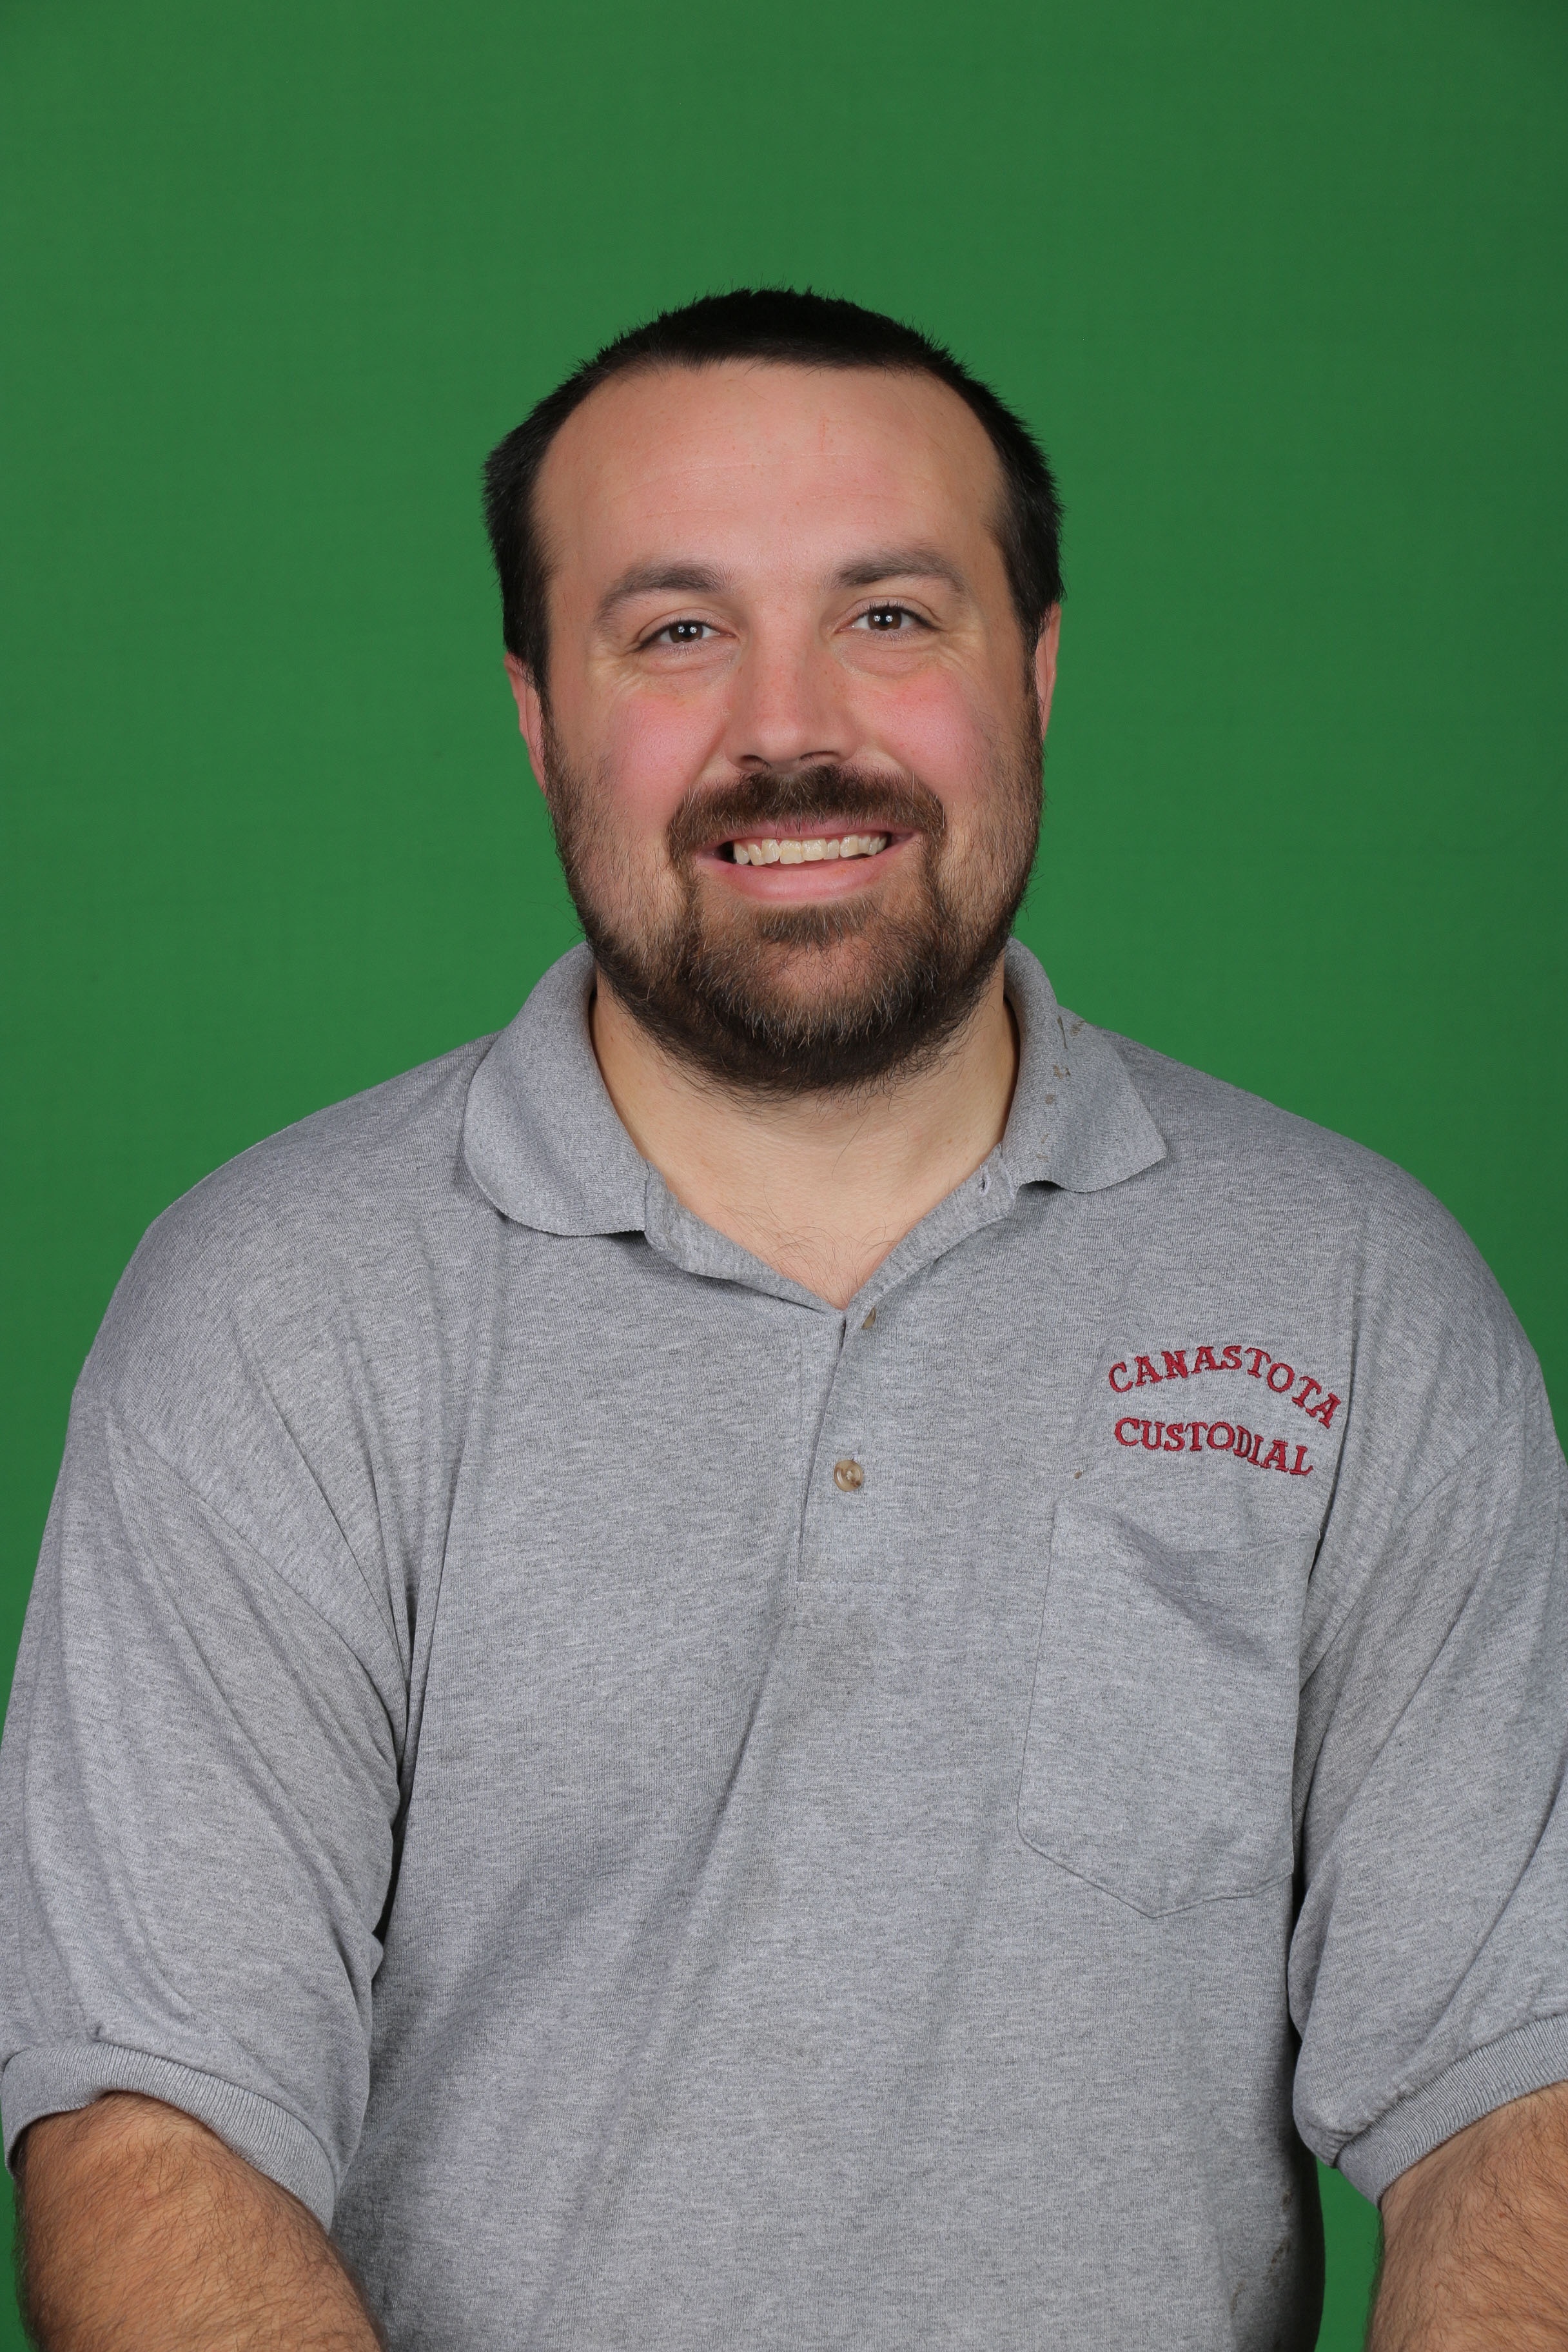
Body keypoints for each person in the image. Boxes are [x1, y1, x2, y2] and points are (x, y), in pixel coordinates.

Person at [3, 288, 1564, 2352]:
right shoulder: (270, 1319)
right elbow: (152, 2130)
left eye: (889, 615)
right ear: (538, 716)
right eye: (676, 630)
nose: (790, 728)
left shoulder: (1357, 1300)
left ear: (1037, 669)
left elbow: (1517, 2093)